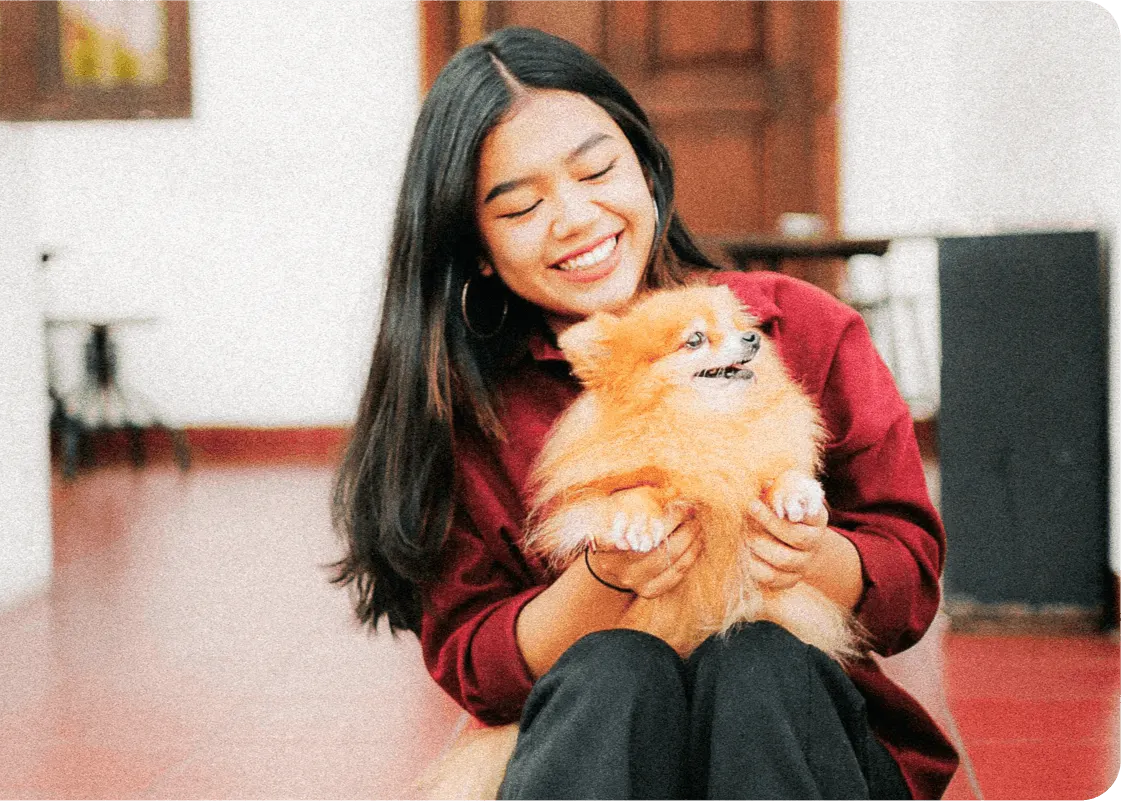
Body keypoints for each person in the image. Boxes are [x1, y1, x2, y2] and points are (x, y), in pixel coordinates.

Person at [332, 26, 958, 801]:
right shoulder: (468, 410)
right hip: (602, 754)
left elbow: (907, 580)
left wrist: (805, 552)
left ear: (647, 169)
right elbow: (481, 670)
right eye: (521, 206)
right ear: (479, 248)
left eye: (597, 170)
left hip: (798, 748)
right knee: (607, 669)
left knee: (756, 661)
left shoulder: (798, 327)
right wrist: (601, 577)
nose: (573, 218)